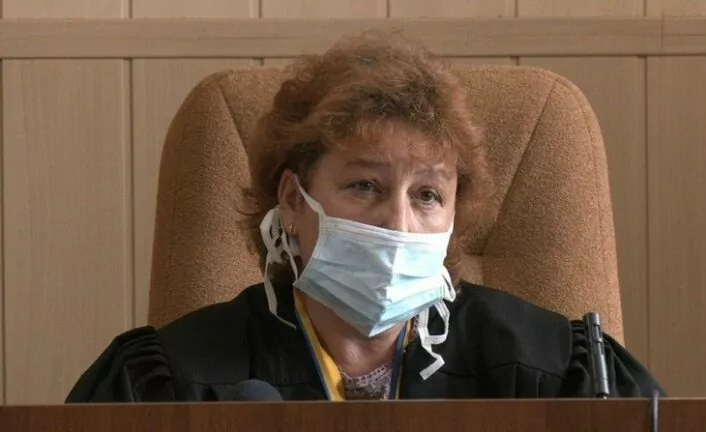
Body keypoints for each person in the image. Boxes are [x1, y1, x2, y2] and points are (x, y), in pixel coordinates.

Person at [66, 31, 662, 402]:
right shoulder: (173, 379)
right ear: (293, 201)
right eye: (365, 186)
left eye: (427, 195)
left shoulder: (547, 370)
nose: (397, 223)